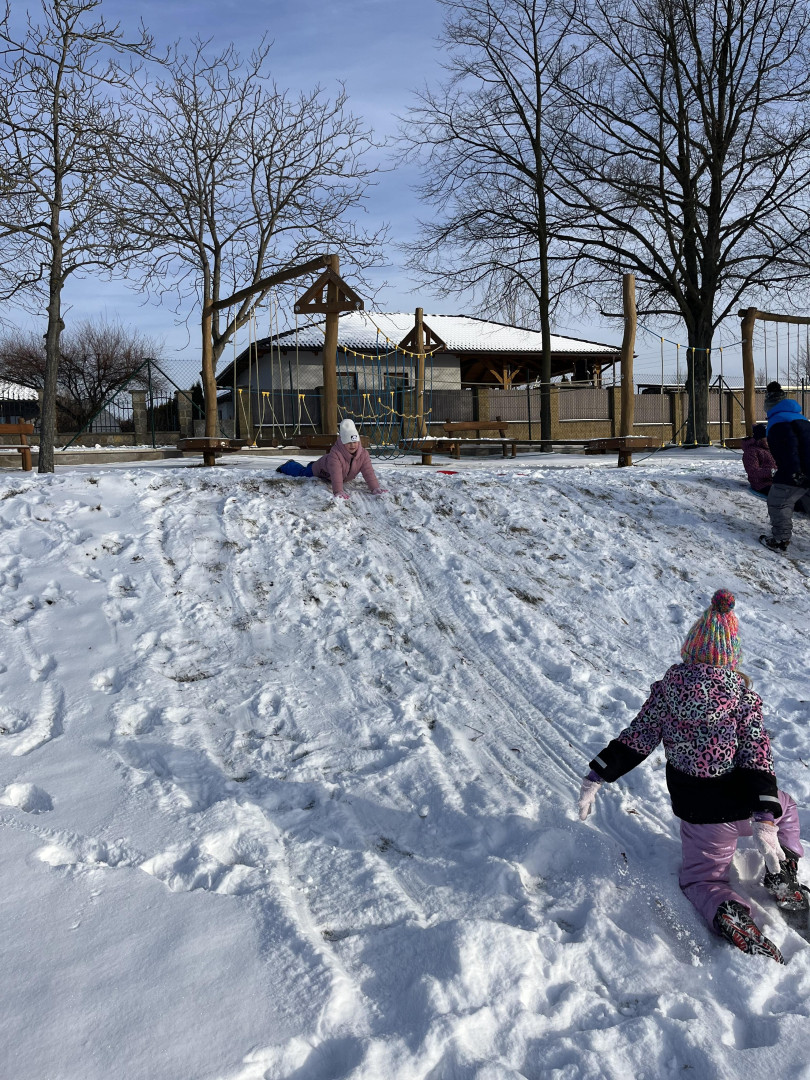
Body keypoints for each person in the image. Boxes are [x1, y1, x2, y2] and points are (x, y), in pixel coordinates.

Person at [577, 589, 807, 963]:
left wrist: (596, 775)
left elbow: (636, 738)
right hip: (742, 805)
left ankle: (725, 908)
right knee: (788, 808)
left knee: (702, 879)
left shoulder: (667, 693)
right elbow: (757, 755)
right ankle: (784, 870)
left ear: (689, 649)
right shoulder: (742, 699)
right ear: (732, 658)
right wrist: (766, 819)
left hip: (700, 815)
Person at [276, 418, 386, 500]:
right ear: (342, 443)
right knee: (302, 472)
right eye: (348, 443)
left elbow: (368, 472)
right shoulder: (336, 455)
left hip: (329, 468)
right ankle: (289, 465)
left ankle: (310, 464)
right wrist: (338, 491)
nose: (352, 445)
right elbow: (336, 473)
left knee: (309, 468)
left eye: (354, 442)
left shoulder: (363, 455)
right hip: (321, 470)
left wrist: (375, 488)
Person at [758, 382, 810, 551]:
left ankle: (780, 540)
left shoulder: (779, 422)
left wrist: (794, 472)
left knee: (778, 501)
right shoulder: (800, 418)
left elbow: (789, 448)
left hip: (796, 471)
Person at [741, 423, 775, 496]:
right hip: (763, 484)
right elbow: (753, 471)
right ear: (759, 438)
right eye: (766, 437)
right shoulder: (751, 452)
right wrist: (771, 472)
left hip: (778, 481)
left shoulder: (772, 449)